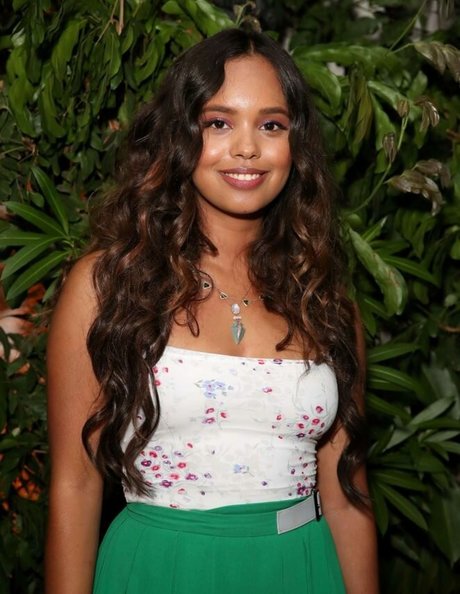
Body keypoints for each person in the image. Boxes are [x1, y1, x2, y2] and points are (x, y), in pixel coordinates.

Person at [45, 28, 379, 594]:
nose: (247, 147)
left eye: (271, 125)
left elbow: (349, 494)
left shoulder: (325, 302)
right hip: (159, 569)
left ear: (295, 145)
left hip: (301, 568)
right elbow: (74, 487)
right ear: (180, 135)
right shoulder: (108, 286)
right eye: (219, 122)